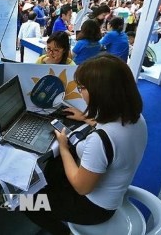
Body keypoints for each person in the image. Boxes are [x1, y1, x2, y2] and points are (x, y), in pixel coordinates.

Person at [25, 54, 147, 235]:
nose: (80, 93)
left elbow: (81, 187)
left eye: (82, 88)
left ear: (101, 93)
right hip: (110, 193)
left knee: (26, 202)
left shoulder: (101, 140)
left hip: (93, 207)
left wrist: (64, 147)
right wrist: (87, 118)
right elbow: (111, 129)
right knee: (55, 167)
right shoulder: (137, 119)